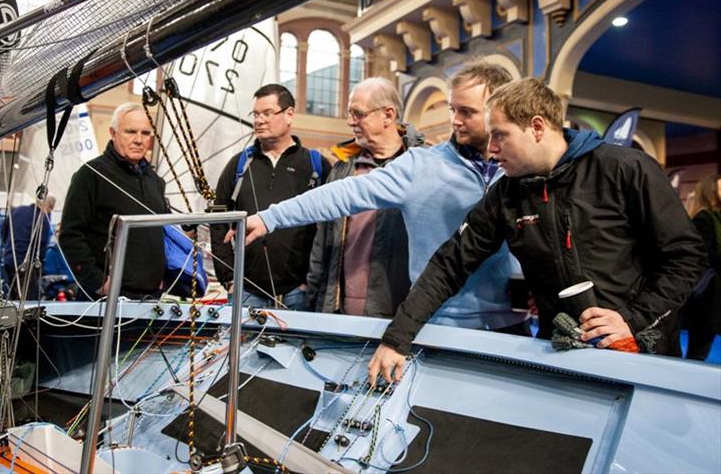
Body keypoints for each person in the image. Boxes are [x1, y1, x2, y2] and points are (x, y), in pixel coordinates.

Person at [368, 78, 707, 384]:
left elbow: (686, 256)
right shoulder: (506, 194)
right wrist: (396, 339)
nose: (491, 148)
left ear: (537, 127)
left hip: (643, 352)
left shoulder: (625, 169)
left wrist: (632, 319)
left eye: (500, 134)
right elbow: (450, 263)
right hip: (563, 356)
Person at [238, 61, 526, 331]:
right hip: (439, 324)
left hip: (512, 324)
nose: (455, 121)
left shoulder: (517, 170)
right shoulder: (420, 165)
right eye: (452, 109)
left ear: (496, 111)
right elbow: (346, 193)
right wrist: (270, 217)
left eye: (467, 112)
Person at [306, 77, 424, 316]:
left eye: (358, 114)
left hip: (398, 311)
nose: (351, 122)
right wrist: (313, 299)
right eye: (349, 113)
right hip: (340, 310)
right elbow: (322, 241)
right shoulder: (342, 170)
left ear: (388, 115)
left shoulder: (421, 167)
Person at [210, 84, 330, 310]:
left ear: (289, 114)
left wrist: (311, 281)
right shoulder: (239, 165)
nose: (259, 121)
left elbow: (332, 228)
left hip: (299, 292)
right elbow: (217, 221)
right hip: (245, 290)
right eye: (255, 114)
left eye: (267, 113)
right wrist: (229, 278)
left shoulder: (316, 165)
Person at [60, 102, 169, 299]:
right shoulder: (91, 174)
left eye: (145, 133)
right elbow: (70, 234)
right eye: (130, 131)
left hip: (151, 299)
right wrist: (98, 283)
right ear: (113, 133)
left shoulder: (155, 181)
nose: (138, 140)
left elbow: (163, 234)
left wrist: (163, 278)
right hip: (106, 301)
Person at [683, 174, 721, 360]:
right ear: (711, 192)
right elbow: (702, 255)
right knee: (699, 347)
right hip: (705, 295)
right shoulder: (704, 219)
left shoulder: (716, 217)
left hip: (712, 294)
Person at [0, 196, 55, 299]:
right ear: (48, 206)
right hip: (26, 264)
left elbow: (3, 230)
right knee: (27, 298)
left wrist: (8, 247)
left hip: (9, 259)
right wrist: (39, 267)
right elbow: (42, 246)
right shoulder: (42, 219)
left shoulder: (17, 211)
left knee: (10, 295)